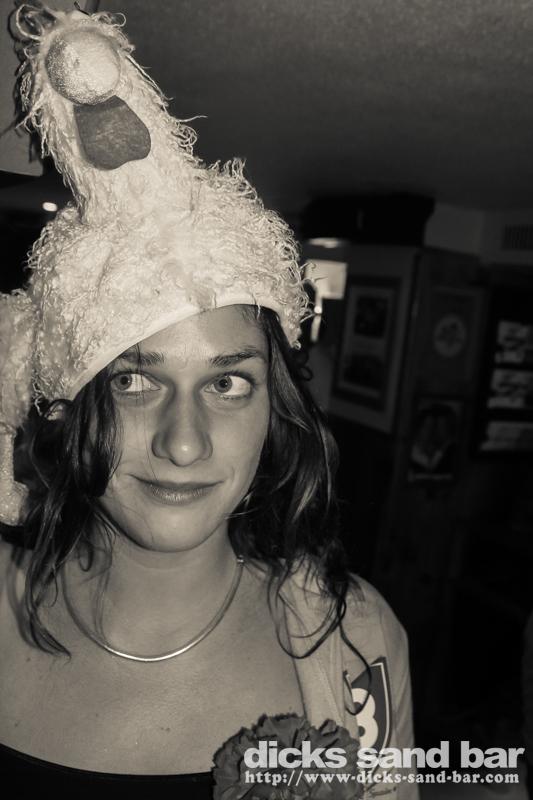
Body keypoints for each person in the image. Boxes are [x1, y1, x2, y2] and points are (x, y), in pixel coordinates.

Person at [0, 5, 417, 797]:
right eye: (134, 380)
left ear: (274, 410)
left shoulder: (354, 640)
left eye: (227, 383)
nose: (184, 444)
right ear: (68, 405)